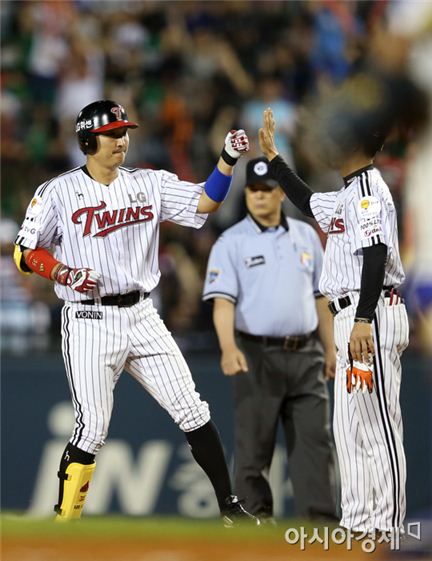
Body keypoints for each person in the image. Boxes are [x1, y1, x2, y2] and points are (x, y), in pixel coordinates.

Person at [13, 99, 258, 527]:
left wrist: (227, 159)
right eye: (112, 134)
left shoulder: (148, 182)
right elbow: (23, 251)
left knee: (193, 409)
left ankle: (229, 508)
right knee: (91, 430)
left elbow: (205, 202)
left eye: (124, 132)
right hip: (89, 319)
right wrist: (62, 271)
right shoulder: (58, 191)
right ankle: (64, 528)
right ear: (88, 140)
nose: (122, 140)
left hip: (143, 314)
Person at [259, 108, 409, 536]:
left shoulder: (367, 189)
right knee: (350, 429)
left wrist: (363, 317)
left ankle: (389, 531)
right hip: (351, 317)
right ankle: (360, 525)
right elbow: (307, 202)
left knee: (378, 427)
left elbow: (376, 253)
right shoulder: (347, 193)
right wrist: (273, 158)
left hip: (369, 314)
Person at [202, 157, 338, 522]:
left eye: (266, 190)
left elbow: (321, 299)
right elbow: (222, 302)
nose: (259, 196)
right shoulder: (231, 241)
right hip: (255, 354)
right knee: (253, 450)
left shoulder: (307, 235)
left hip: (306, 353)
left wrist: (330, 348)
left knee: (315, 445)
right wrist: (228, 348)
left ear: (281, 194)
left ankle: (320, 527)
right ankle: (254, 529)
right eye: (253, 190)